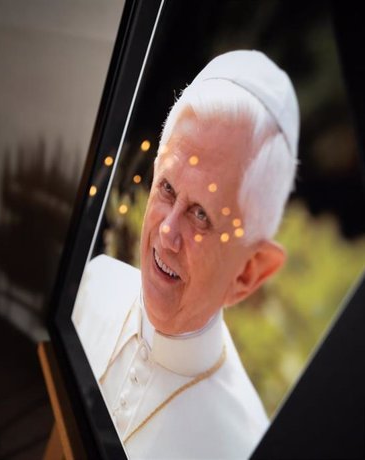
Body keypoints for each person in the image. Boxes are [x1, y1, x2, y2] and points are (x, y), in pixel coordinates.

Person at [72, 49, 299, 459]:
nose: (167, 232)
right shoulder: (93, 283)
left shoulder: (243, 447)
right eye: (167, 189)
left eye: (201, 215)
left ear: (248, 272)